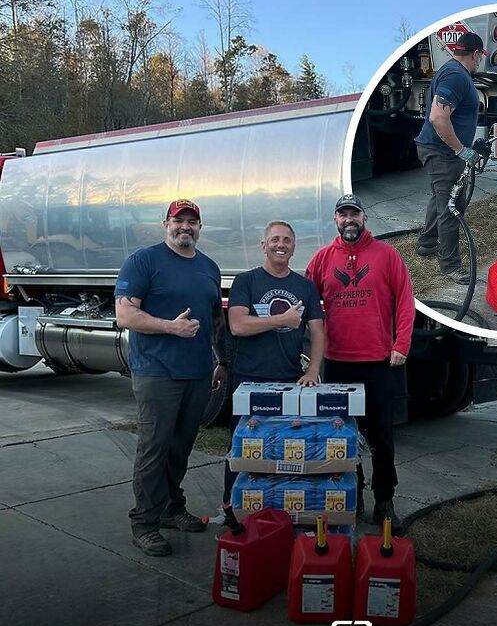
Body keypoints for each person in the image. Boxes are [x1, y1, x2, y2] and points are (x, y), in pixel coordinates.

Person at [115, 199, 227, 556]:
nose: (185, 227)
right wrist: (170, 327)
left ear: (199, 227)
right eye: (179, 220)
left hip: (197, 373)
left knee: (180, 448)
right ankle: (144, 524)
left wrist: (221, 361)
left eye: (192, 221)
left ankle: (170, 508)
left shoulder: (209, 267)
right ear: (166, 224)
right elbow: (125, 315)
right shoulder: (144, 261)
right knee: (155, 448)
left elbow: (215, 320)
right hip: (157, 372)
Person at [305, 194, 415, 533]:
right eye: (343, 214)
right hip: (338, 363)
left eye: (354, 213)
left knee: (382, 437)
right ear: (335, 220)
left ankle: (384, 500)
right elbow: (307, 304)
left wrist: (401, 344)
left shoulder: (387, 255)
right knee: (343, 436)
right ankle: (353, 493)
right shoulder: (322, 259)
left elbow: (405, 300)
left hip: (378, 362)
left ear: (364, 218)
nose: (349, 219)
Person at [222, 220, 324, 512]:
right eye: (275, 239)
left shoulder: (305, 287)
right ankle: (232, 507)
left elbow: (318, 331)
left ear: (294, 247)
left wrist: (313, 370)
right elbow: (238, 325)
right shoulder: (246, 281)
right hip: (249, 380)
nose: (281, 245)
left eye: (287, 240)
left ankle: (277, 508)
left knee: (283, 446)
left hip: (289, 379)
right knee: (243, 445)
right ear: (263, 245)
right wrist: (282, 319)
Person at [414, 31, 487, 284]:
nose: (479, 61)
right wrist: (460, 150)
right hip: (442, 152)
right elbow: (438, 117)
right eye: (480, 57)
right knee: (451, 206)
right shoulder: (456, 76)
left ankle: (427, 242)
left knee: (440, 198)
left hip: (438, 149)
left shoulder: (452, 71)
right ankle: (450, 265)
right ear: (475, 54)